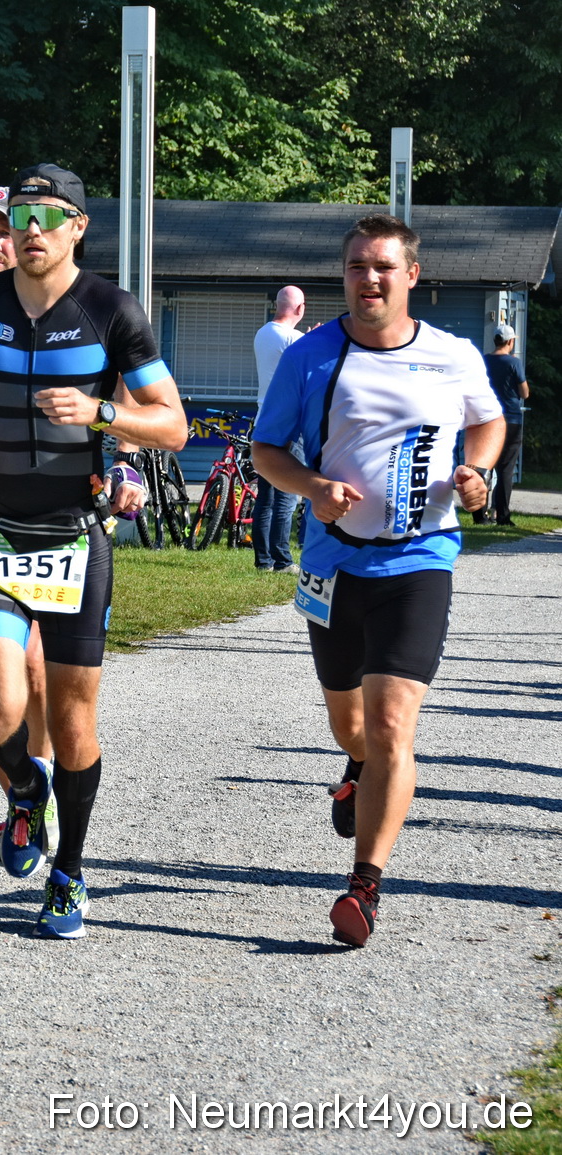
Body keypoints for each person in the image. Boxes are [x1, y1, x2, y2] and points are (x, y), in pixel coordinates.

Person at [0, 164, 187, 939]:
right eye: (21, 215)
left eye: (49, 215)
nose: (31, 228)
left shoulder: (112, 310)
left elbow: (172, 425)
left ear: (78, 226)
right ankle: (20, 791)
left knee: (73, 724)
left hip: (77, 534)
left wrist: (103, 411)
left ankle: (69, 872)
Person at [251, 213, 503, 947]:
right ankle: (356, 764)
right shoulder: (311, 356)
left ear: (411, 275)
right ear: (345, 275)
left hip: (420, 558)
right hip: (333, 562)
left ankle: (365, 884)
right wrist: (312, 486)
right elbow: (267, 450)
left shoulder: (452, 354)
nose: (370, 278)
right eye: (358, 266)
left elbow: (486, 423)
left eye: (384, 267)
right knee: (350, 722)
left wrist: (476, 470)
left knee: (394, 720)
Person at [251, 286, 306, 572]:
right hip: (288, 426)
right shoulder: (294, 338)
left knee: (266, 497)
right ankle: (283, 560)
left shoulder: (264, 333)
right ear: (300, 309)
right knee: (286, 496)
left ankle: (264, 560)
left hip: (263, 421)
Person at [476, 323, 528, 527]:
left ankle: (480, 515)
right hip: (511, 420)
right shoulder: (513, 363)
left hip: (487, 419)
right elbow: (525, 393)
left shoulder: (484, 360)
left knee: (483, 466)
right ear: (510, 341)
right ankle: (502, 516)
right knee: (505, 469)